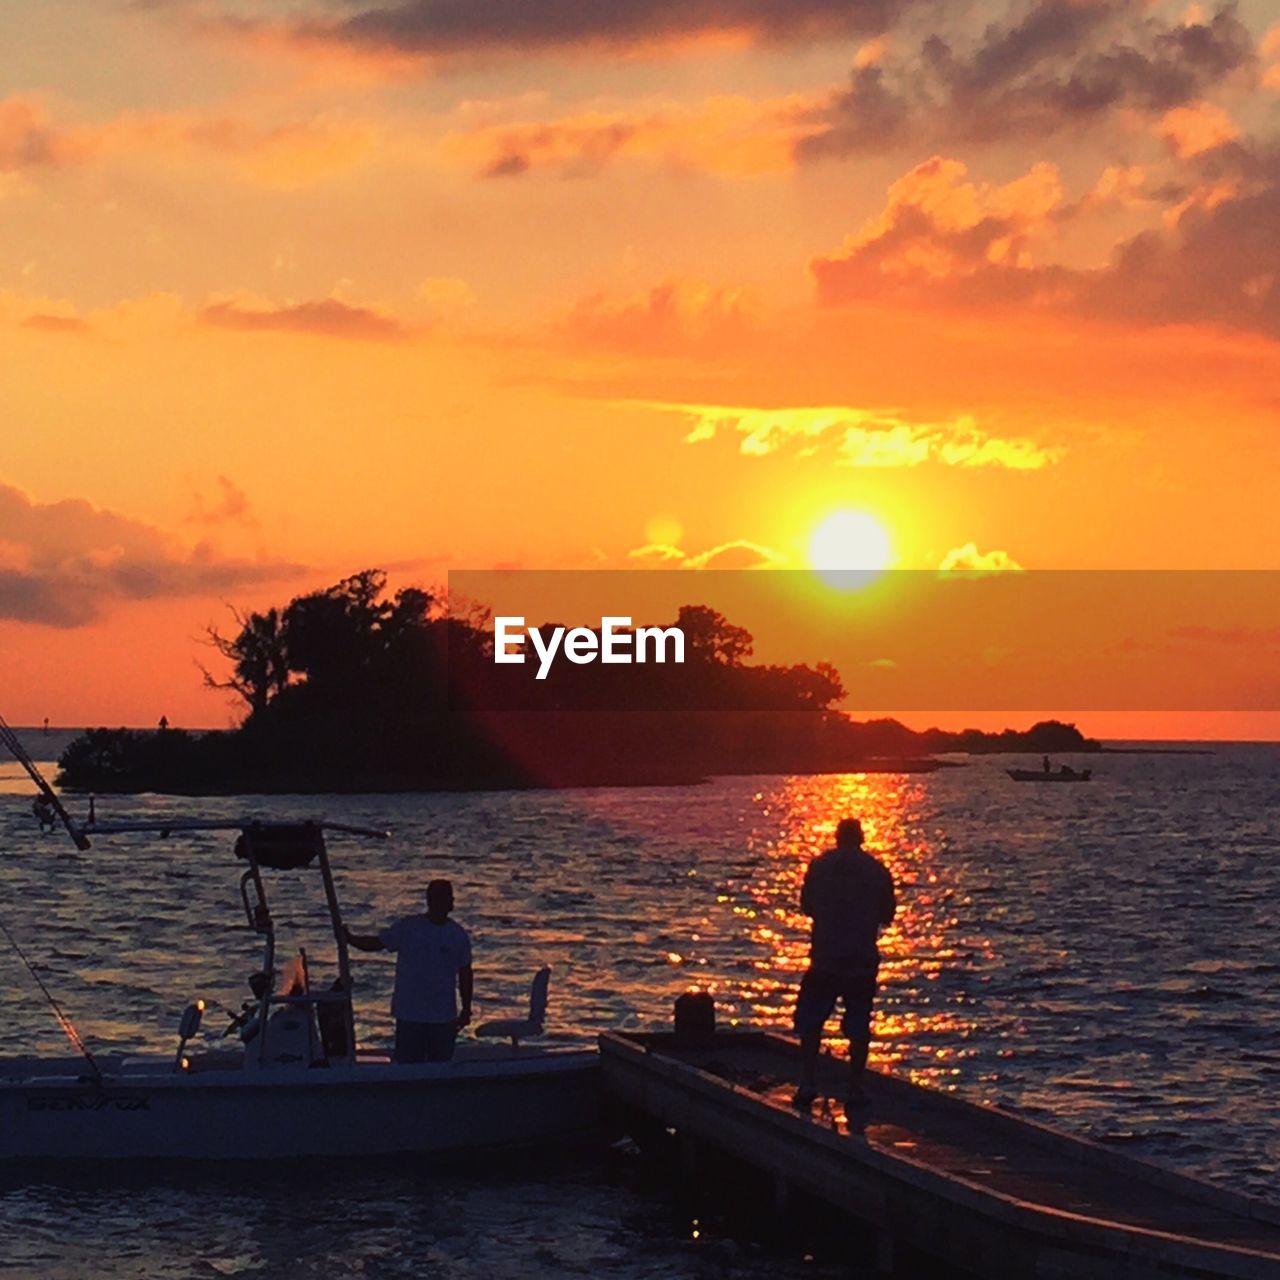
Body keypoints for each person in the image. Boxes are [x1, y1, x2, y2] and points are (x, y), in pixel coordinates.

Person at [793, 817, 895, 1109]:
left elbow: (807, 908)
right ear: (861, 838)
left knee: (812, 1021)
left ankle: (808, 1081)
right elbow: (888, 914)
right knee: (859, 1024)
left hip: (825, 957)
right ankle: (854, 1087)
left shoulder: (819, 867)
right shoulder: (876, 870)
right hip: (861, 959)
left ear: (837, 837)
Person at [345, 878, 473, 1063]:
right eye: (436, 898)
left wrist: (466, 1010)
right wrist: (350, 939)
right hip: (410, 1016)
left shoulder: (457, 935)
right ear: (428, 900)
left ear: (451, 902)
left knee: (440, 1070)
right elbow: (377, 943)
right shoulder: (409, 928)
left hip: (443, 1018)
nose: (441, 902)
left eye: (445, 898)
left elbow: (465, 974)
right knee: (408, 1067)